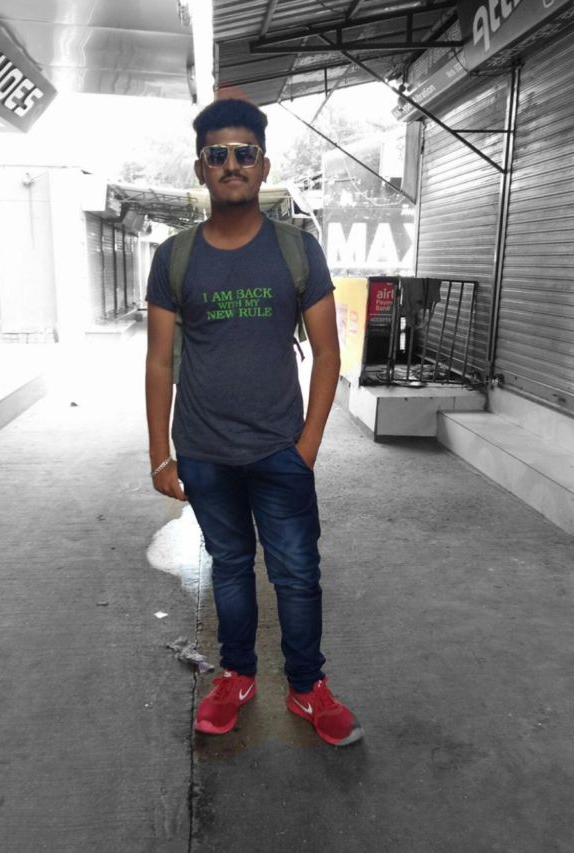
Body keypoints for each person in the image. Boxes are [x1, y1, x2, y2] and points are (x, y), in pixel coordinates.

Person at [145, 98, 362, 747]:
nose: (232, 164)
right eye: (218, 154)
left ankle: (307, 687)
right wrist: (161, 455)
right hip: (205, 453)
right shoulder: (174, 256)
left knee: (296, 573)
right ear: (201, 168)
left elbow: (328, 353)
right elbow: (158, 360)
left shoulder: (297, 250)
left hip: (279, 451)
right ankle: (236, 677)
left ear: (264, 166)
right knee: (231, 567)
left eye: (245, 153)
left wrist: (307, 446)